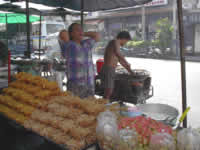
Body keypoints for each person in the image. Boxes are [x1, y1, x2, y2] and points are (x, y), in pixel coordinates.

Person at [65, 23, 100, 98]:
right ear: (71, 34)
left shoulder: (86, 44)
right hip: (75, 85)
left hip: (89, 84)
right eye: (77, 30)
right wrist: (78, 34)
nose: (80, 31)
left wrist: (82, 33)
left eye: (81, 29)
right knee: (75, 108)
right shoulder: (69, 45)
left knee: (90, 107)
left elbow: (97, 36)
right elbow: (63, 34)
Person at [100, 31, 133, 100]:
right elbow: (118, 53)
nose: (125, 43)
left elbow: (121, 61)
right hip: (108, 69)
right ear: (123, 38)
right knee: (108, 91)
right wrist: (126, 62)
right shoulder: (115, 41)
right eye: (126, 41)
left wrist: (130, 71)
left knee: (109, 91)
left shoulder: (117, 46)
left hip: (110, 70)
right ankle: (103, 107)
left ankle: (105, 105)